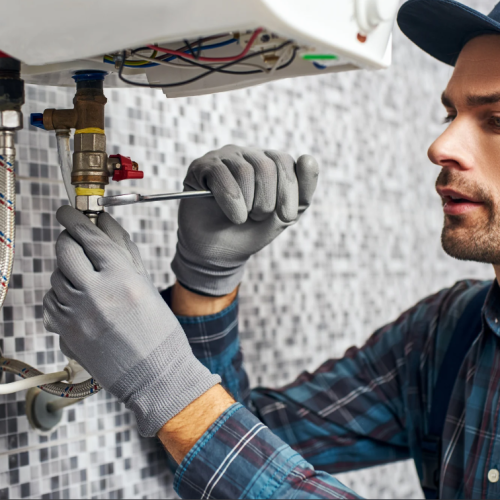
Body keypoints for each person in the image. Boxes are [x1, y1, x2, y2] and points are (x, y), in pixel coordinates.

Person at [42, 0, 500, 498]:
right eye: (450, 113)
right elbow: (234, 445)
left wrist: (166, 383)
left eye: (496, 119)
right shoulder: (450, 333)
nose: (440, 144)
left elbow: (201, 423)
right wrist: (204, 280)